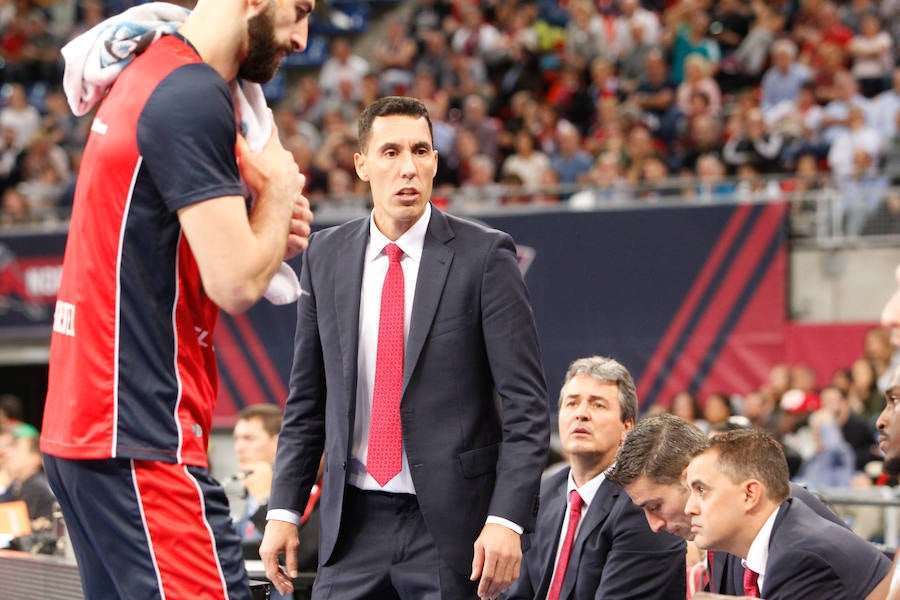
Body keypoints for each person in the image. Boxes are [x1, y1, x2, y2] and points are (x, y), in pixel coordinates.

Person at [39, 0, 316, 598]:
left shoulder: (148, 70)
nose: (302, 38)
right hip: (138, 433)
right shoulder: (192, 93)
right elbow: (237, 282)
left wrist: (258, 224)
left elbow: (188, 247)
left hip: (90, 430)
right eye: (300, 10)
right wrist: (277, 192)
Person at [259, 96, 550, 600]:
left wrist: (507, 519)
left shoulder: (485, 256)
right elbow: (307, 401)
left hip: (453, 531)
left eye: (420, 150)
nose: (408, 167)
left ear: (436, 161)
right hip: (350, 527)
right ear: (362, 164)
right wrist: (283, 510)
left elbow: (527, 407)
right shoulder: (325, 256)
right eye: (390, 152)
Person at [607, 412, 848, 596]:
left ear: (689, 477)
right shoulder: (723, 533)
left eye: (655, 506)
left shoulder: (785, 522)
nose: (654, 525)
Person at [505, 356, 685, 599]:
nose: (581, 414)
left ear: (627, 427)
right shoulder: (543, 492)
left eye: (598, 405)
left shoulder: (643, 505)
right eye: (571, 403)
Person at [685, 429, 891, 599]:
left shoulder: (800, 556)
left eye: (701, 490)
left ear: (750, 494)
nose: (689, 508)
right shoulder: (784, 531)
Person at [232, 404, 319, 600]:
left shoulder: (303, 488)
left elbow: (303, 553)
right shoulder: (247, 486)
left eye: (249, 438)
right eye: (236, 439)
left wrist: (265, 500)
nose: (239, 447)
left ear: (277, 442)